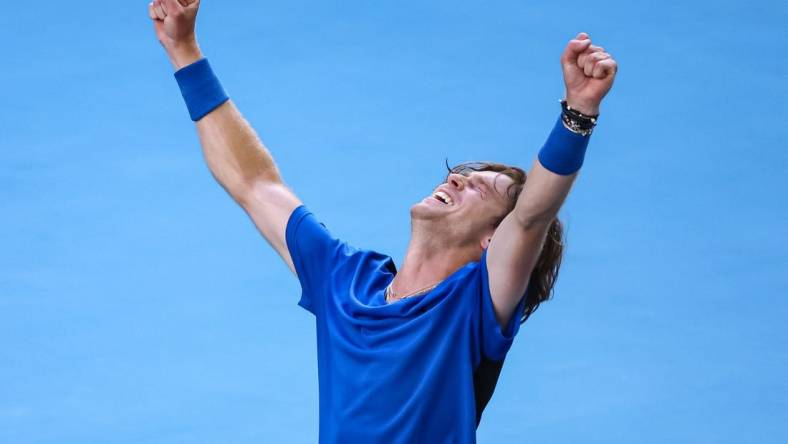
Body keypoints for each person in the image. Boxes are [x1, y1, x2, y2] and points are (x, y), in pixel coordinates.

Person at [148, 1, 617, 442]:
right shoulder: (344, 279)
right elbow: (254, 184)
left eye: (481, 188)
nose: (456, 179)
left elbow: (533, 215)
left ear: (493, 239)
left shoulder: (475, 302)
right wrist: (183, 50)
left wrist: (578, 112)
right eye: (460, 174)